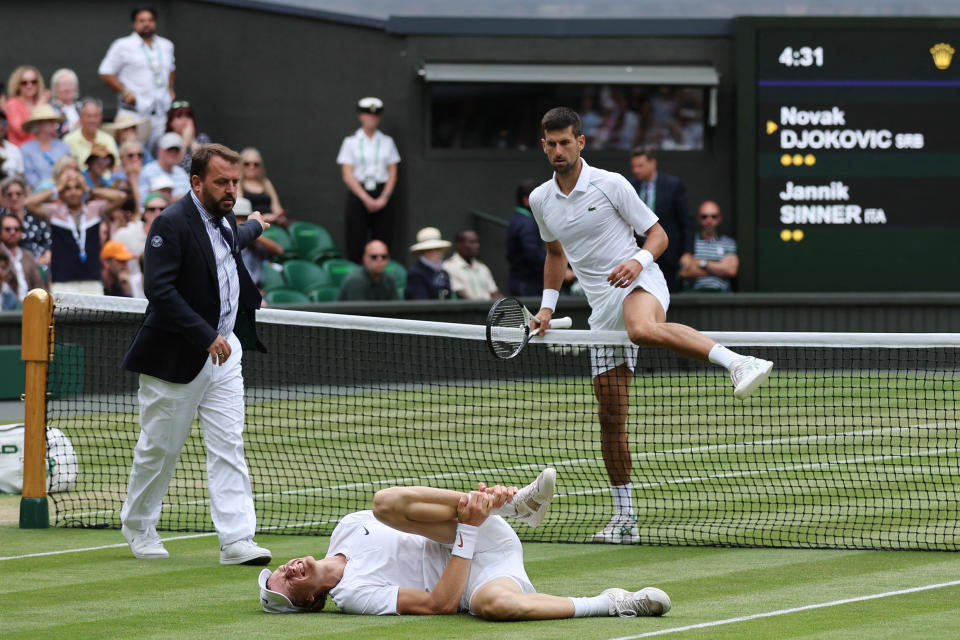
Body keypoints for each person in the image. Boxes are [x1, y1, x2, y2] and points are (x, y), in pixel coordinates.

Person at [529, 107, 773, 544]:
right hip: (600, 306)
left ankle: (739, 362)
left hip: (640, 278)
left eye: (566, 142)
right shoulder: (540, 200)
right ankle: (625, 518)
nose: (559, 150)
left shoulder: (612, 184)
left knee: (641, 329)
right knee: (610, 417)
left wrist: (635, 260)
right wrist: (547, 308)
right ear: (543, 145)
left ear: (581, 142)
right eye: (552, 143)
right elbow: (554, 256)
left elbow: (658, 235)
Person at [119, 143, 271, 565]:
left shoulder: (225, 216)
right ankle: (138, 525)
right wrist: (205, 335)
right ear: (196, 182)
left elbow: (229, 243)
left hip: (225, 355)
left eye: (235, 182)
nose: (231, 190)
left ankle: (237, 539)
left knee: (229, 445)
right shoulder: (170, 222)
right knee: (160, 449)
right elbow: (159, 290)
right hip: (176, 357)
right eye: (222, 182)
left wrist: (255, 226)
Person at [257, 469, 672, 619]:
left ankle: (510, 507)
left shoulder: (348, 527)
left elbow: (419, 511)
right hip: (474, 573)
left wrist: (474, 516)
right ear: (311, 600)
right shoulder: (352, 596)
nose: (287, 570)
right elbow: (441, 604)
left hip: (476, 531)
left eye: (278, 571)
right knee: (497, 607)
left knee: (386, 503)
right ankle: (614, 602)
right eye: (287, 585)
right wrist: (470, 528)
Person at [24, 168, 127, 294]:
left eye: (77, 187)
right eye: (68, 188)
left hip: (92, 281)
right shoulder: (55, 212)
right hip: (62, 282)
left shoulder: (94, 209)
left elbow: (121, 197)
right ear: (62, 193)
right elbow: (29, 203)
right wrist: (57, 187)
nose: (73, 192)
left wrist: (90, 189)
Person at [98, 7, 176, 150]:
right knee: (133, 153)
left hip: (160, 114)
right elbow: (105, 72)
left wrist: (170, 88)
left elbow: (171, 67)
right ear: (134, 24)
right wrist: (125, 91)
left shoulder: (166, 45)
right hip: (134, 114)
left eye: (150, 20)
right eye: (142, 21)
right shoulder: (122, 45)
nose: (146, 24)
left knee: (162, 155)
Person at [336, 97, 400, 264]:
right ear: (361, 116)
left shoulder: (387, 141)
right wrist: (366, 198)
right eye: (368, 114)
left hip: (382, 195)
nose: (372, 118)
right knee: (355, 240)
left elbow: (392, 172)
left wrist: (383, 198)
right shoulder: (351, 141)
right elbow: (347, 174)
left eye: (375, 115)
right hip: (359, 194)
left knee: (384, 239)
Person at [627, 146, 692, 293]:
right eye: (634, 167)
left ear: (653, 164)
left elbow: (686, 221)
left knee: (666, 296)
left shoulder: (673, 185)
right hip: (637, 254)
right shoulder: (630, 187)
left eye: (640, 166)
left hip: (667, 255)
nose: (636, 170)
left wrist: (687, 252)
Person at [679, 201, 739, 292]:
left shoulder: (728, 242)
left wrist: (701, 263)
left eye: (713, 216)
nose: (709, 220)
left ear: (719, 218)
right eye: (704, 217)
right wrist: (719, 268)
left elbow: (731, 270)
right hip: (693, 294)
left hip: (721, 295)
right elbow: (685, 272)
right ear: (699, 219)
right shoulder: (689, 242)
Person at [233, 196, 283, 290]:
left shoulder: (254, 240)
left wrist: (252, 233)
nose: (240, 222)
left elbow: (279, 250)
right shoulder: (224, 238)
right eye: (237, 218)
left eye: (244, 218)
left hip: (256, 289)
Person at [506, 179, 546, 297]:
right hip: (529, 285)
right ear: (526, 200)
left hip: (521, 282)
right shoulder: (527, 223)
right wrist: (560, 271)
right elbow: (532, 253)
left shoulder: (518, 219)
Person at [2, 175, 51, 267]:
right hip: (12, 265)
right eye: (10, 194)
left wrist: (48, 254)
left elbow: (48, 240)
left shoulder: (34, 217)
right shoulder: (1, 218)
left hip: (42, 263)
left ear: (24, 195)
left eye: (18, 194)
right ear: (4, 197)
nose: (14, 198)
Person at [20, 104, 71, 188]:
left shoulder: (63, 146)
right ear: (39, 123)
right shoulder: (26, 149)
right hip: (38, 195)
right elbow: (29, 177)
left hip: (64, 192)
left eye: (53, 121)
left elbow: (70, 169)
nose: (53, 124)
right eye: (49, 121)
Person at [442, 230, 501, 300]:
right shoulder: (448, 266)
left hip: (489, 309)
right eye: (472, 242)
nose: (477, 245)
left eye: (477, 242)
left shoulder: (482, 267)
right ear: (459, 245)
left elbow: (494, 293)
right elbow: (460, 294)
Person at [0, 212, 45, 302]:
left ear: (21, 232)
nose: (13, 232)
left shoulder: (28, 255)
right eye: (8, 229)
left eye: (17, 229)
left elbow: (39, 286)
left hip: (30, 307)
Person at [63, 98, 120, 167]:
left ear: (101, 118)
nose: (92, 120)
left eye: (95, 116)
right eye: (88, 116)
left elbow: (116, 165)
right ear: (81, 118)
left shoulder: (108, 139)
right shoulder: (69, 140)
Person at [238, 147, 285, 225]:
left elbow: (276, 207)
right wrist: (264, 217)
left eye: (256, 164)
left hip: (273, 224)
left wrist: (278, 215)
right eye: (247, 164)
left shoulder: (265, 182)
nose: (251, 167)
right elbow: (240, 212)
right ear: (241, 164)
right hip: (253, 225)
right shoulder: (238, 183)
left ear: (260, 166)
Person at [138, 131, 189, 204]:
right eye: (169, 149)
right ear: (159, 150)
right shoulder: (147, 171)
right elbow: (142, 202)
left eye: (176, 150)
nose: (173, 153)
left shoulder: (182, 173)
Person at [405, 227, 453, 300]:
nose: (434, 252)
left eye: (437, 248)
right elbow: (420, 302)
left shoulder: (444, 272)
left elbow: (447, 295)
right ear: (422, 251)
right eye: (429, 250)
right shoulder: (415, 273)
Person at [5, 65, 47, 147]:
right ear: (18, 85)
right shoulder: (13, 104)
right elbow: (21, 131)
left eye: (33, 82)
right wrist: (38, 109)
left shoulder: (39, 103)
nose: (29, 85)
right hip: (21, 151)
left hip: (41, 151)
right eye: (24, 83)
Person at [166, 100, 210, 173]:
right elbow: (171, 167)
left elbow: (207, 165)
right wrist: (185, 142)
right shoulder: (166, 141)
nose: (184, 120)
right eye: (179, 116)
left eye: (188, 116)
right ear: (171, 122)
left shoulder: (202, 138)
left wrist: (192, 141)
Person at [49, 68, 81, 134]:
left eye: (70, 84)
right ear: (55, 88)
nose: (67, 89)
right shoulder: (50, 108)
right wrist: (74, 128)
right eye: (63, 85)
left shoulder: (81, 107)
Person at [0, 111, 25, 179]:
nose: (1, 126)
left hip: (11, 187)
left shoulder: (14, 149)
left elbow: (21, 175)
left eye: (3, 123)